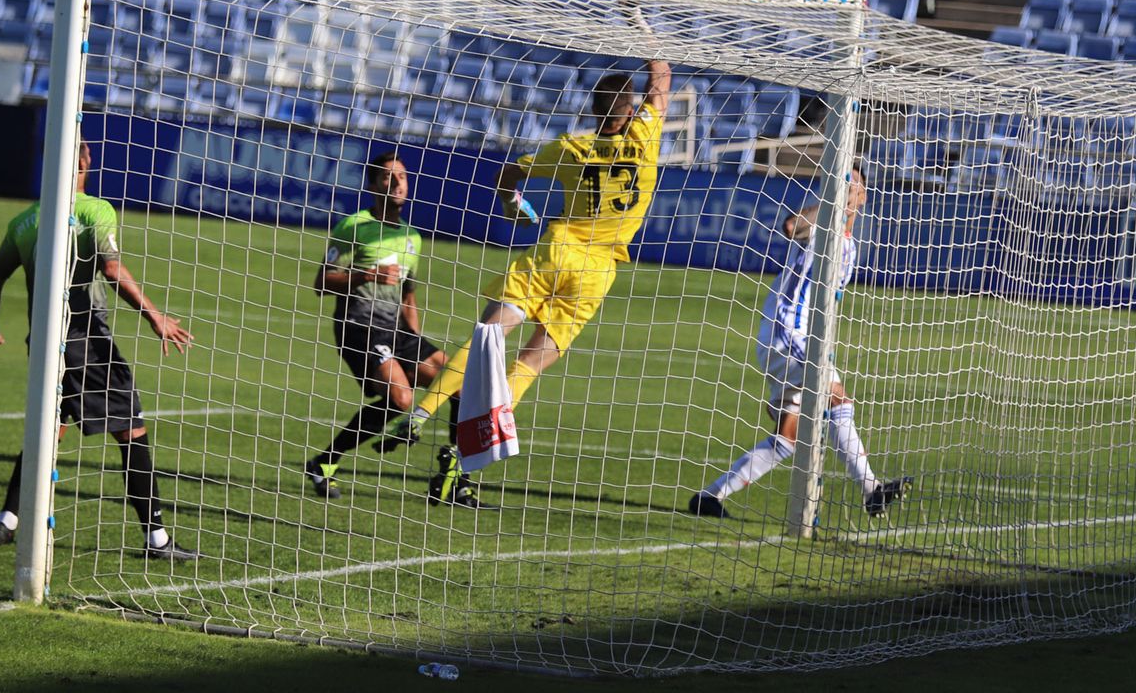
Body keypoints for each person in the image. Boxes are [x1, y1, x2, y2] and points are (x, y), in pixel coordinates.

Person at [377, 55, 672, 505]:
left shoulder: (572, 148)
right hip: (596, 273)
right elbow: (661, 87)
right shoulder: (647, 136)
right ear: (629, 112)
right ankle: (461, 451)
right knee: (528, 365)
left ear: (593, 112)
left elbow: (509, 173)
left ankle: (419, 413)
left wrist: (512, 203)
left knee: (486, 339)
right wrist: (653, 50)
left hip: (552, 253)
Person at [0, 141, 198, 560]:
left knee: (49, 431)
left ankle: (6, 521)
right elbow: (111, 268)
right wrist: (155, 316)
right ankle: (156, 539)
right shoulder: (95, 210)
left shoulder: (24, 220)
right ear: (86, 161)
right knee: (131, 427)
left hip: (44, 339)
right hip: (86, 338)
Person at [690, 166, 909, 520]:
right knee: (836, 395)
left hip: (798, 336)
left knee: (787, 438)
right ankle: (871, 490)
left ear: (864, 196)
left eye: (852, 184)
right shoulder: (823, 224)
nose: (846, 189)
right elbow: (791, 227)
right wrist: (830, 202)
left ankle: (709, 497)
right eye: (840, 182)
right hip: (786, 330)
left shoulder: (850, 247)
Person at [305, 150, 465, 503]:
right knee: (401, 398)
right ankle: (325, 463)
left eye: (402, 177)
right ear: (373, 185)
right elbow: (321, 281)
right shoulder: (354, 226)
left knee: (459, 384)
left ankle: (454, 479)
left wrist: (417, 339)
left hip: (399, 331)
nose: (396, 183)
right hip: (359, 328)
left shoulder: (412, 236)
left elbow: (408, 295)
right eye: (387, 177)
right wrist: (367, 274)